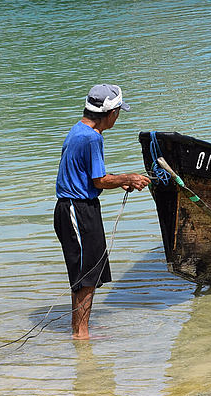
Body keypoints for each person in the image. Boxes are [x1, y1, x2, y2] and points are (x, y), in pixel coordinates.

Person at [54, 84, 150, 339]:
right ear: (110, 113)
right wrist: (126, 178)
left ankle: (81, 327)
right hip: (77, 209)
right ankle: (81, 333)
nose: (117, 117)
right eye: (118, 111)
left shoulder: (78, 130)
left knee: (88, 271)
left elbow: (93, 178)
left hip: (76, 208)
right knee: (86, 274)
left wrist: (122, 180)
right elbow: (99, 181)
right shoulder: (92, 137)